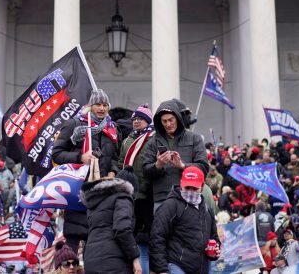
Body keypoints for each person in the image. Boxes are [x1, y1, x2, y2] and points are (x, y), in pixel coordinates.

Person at [52, 89, 121, 251]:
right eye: (98, 104)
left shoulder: (112, 129)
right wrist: (80, 157)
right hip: (77, 192)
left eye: (105, 105)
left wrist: (113, 172)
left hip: (102, 194)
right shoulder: (74, 124)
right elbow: (57, 154)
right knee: (71, 252)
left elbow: (116, 158)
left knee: (96, 248)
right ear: (91, 106)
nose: (102, 108)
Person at [149, 166, 219, 274]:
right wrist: (162, 269)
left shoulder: (207, 210)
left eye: (194, 188)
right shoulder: (170, 205)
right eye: (187, 187)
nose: (190, 191)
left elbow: (214, 238)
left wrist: (215, 251)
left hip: (202, 267)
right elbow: (157, 237)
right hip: (177, 266)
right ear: (181, 183)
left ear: (202, 186)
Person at [142, 100, 209, 210]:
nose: (168, 124)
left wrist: (183, 166)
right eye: (164, 121)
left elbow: (204, 167)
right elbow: (145, 172)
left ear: (178, 118)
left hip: (189, 196)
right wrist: (158, 165)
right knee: (161, 227)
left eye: (170, 120)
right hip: (162, 198)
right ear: (160, 122)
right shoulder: (152, 143)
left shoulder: (194, 138)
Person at [118, 104, 155, 274]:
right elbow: (120, 163)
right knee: (130, 237)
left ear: (147, 121)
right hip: (129, 195)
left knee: (143, 242)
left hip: (146, 195)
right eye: (134, 119)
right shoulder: (127, 140)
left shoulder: (153, 139)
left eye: (140, 119)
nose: (136, 122)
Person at [80, 172, 141, 274]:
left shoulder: (94, 203)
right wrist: (135, 258)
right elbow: (122, 229)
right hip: (114, 261)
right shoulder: (123, 197)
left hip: (91, 260)